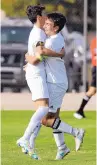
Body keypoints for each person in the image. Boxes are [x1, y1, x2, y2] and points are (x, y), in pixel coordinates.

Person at [24, 11, 85, 160]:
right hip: (57, 81)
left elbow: (41, 53)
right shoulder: (55, 38)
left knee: (45, 119)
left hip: (55, 83)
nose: (45, 25)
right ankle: (62, 148)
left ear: (56, 27)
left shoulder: (53, 41)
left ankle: (76, 132)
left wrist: (29, 59)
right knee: (53, 117)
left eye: (48, 24)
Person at [16, 5, 68, 160]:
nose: (46, 19)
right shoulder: (39, 33)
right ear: (39, 17)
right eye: (44, 16)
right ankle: (26, 139)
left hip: (40, 75)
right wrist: (31, 59)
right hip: (37, 75)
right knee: (44, 110)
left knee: (44, 112)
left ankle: (30, 144)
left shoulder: (38, 32)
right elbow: (40, 54)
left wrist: (29, 59)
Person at [74, 37, 97, 119]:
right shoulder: (95, 41)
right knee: (91, 91)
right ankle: (79, 111)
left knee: (92, 91)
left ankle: (80, 111)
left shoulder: (94, 40)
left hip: (95, 68)